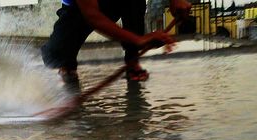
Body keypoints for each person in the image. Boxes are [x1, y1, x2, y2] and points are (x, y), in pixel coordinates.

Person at [41, 0, 191, 83]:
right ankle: (67, 65)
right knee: (54, 57)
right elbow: (92, 16)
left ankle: (132, 60)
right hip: (78, 9)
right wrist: (139, 40)